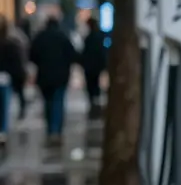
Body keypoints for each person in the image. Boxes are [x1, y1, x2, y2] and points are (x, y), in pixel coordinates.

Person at [28, 16, 78, 144]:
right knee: (58, 102)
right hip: (61, 76)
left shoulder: (40, 37)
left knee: (48, 103)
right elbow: (73, 55)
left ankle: (51, 128)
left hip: (44, 76)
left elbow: (32, 55)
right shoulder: (63, 37)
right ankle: (56, 130)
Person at [0, 15, 26, 146]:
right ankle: (2, 132)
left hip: (5, 78)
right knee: (4, 107)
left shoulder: (12, 43)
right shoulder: (11, 43)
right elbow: (16, 64)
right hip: (5, 79)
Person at [80, 17, 108, 120]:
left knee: (92, 88)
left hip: (91, 67)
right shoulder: (98, 37)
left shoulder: (91, 38)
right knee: (94, 87)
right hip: (95, 67)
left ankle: (94, 106)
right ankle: (95, 106)